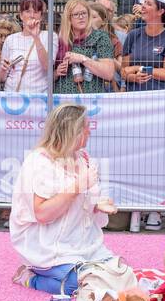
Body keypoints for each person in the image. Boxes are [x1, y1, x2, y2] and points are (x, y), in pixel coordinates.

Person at [9, 104, 118, 275]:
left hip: (83, 245)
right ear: (71, 132)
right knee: (82, 281)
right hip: (49, 248)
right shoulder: (39, 161)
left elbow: (82, 202)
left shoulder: (83, 158)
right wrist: (77, 187)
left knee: (121, 274)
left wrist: (97, 205)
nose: (89, 132)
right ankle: (29, 277)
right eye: (86, 128)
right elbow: (42, 214)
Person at [53, 0, 116, 96]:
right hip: (62, 98)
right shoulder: (60, 39)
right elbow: (46, 76)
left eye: (83, 13)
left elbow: (109, 74)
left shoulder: (100, 37)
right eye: (76, 14)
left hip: (90, 97)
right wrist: (56, 72)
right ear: (69, 18)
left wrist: (83, 59)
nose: (81, 17)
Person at [0, 0, 58, 95]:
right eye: (27, 11)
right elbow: (1, 78)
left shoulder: (50, 36)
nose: (32, 15)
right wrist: (3, 70)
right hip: (12, 95)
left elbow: (48, 66)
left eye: (36, 12)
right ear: (21, 15)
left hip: (38, 97)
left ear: (41, 16)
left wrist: (36, 37)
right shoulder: (10, 39)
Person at [120, 0, 165, 91]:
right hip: (134, 97)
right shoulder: (132, 35)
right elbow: (124, 71)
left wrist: (139, 68)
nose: (143, 6)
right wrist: (134, 78)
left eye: (149, 4)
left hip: (159, 98)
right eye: (144, 2)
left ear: (161, 11)